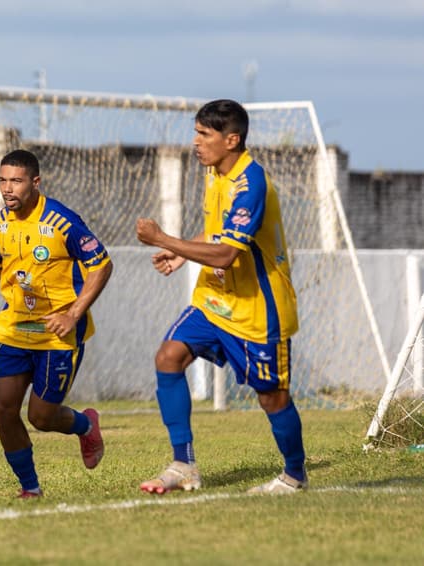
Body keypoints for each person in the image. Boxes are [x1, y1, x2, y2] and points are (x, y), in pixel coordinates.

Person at [135, 99, 306, 495]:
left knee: (273, 398)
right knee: (169, 357)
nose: (195, 142)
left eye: (203, 134)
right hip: (214, 302)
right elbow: (217, 232)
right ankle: (183, 465)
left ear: (232, 140)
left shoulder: (252, 184)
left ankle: (295, 475)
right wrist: (181, 251)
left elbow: (228, 254)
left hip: (257, 309)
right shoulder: (214, 172)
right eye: (195, 132)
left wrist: (164, 238)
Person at [0, 149, 113, 498]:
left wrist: (72, 314)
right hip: (13, 330)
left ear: (35, 182)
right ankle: (30, 488)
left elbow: (102, 265)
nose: (7, 188)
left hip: (58, 336)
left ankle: (86, 424)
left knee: (41, 417)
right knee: (3, 408)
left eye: (16, 181)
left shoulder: (63, 221)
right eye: (3, 180)